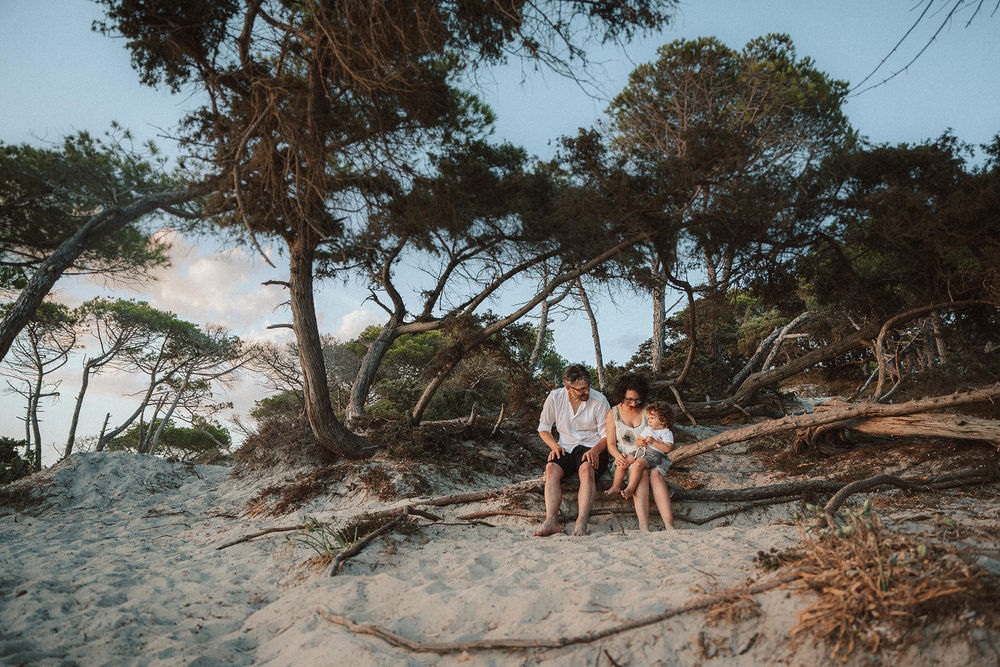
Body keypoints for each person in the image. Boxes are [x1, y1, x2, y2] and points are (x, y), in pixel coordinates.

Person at [534, 365, 610, 537]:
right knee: (551, 468)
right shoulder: (555, 397)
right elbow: (544, 428)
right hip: (565, 446)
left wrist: (596, 451)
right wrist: (555, 446)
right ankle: (551, 520)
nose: (586, 392)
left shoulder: (600, 400)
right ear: (568, 388)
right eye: (581, 389)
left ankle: (581, 522)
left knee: (586, 469)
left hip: (593, 446)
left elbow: (607, 436)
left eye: (588, 387)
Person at [624, 401, 675, 529]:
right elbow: (637, 441)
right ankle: (644, 525)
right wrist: (640, 442)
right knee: (641, 472)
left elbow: (668, 448)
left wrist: (653, 442)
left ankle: (669, 524)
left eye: (652, 418)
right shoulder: (648, 429)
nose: (650, 421)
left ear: (663, 421)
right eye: (649, 418)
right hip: (643, 455)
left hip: (655, 458)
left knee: (654, 474)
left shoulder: (666, 432)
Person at [603, 375, 650, 498]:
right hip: (623, 459)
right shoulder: (613, 414)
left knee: (641, 470)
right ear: (621, 394)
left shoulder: (648, 410)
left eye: (638, 400)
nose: (634, 404)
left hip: (646, 455)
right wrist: (618, 456)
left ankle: (642, 517)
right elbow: (611, 444)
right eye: (629, 399)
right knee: (635, 470)